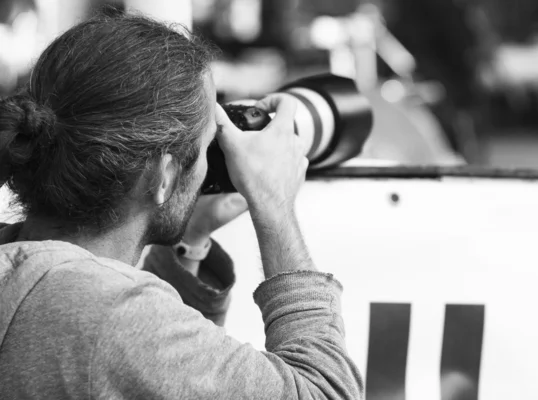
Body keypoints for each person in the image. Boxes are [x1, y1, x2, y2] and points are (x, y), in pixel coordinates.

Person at [0, 10, 362, 400]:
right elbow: (327, 393)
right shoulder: (109, 315)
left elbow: (151, 375)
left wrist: (190, 238)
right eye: (209, 142)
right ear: (163, 175)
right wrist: (274, 207)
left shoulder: (27, 270)